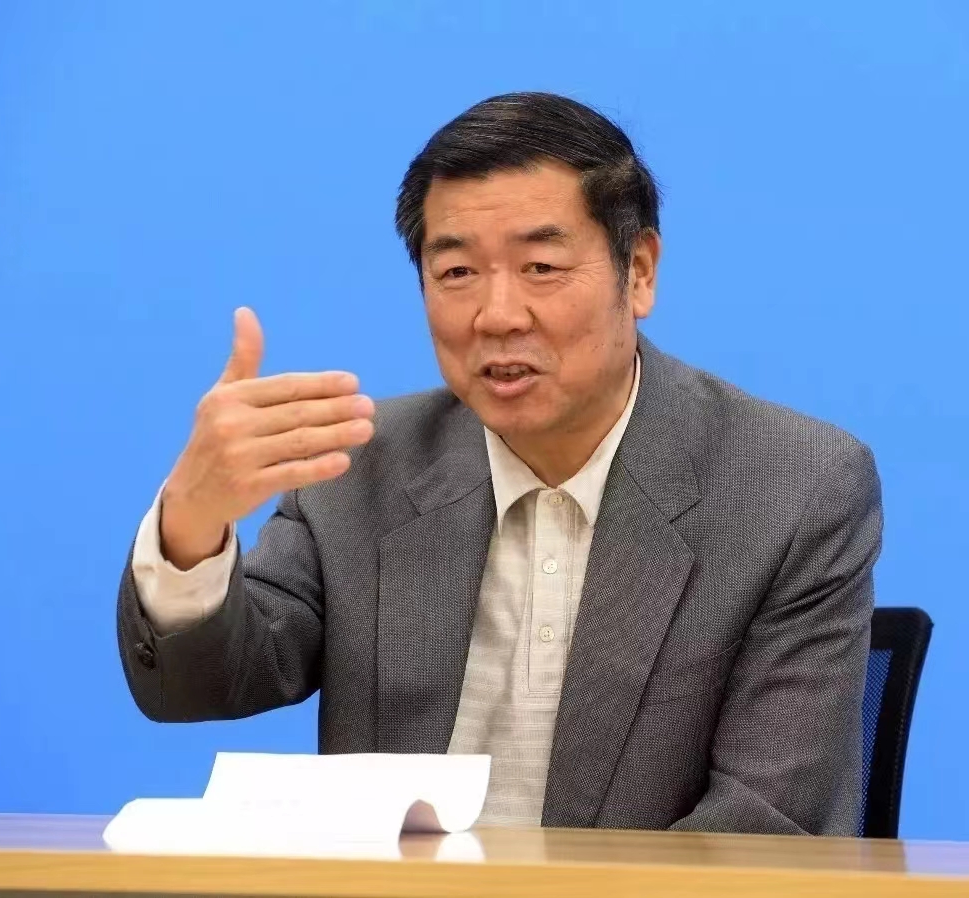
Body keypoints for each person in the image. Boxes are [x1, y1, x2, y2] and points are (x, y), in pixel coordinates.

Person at [117, 91, 882, 836]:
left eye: (541, 266)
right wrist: (193, 520)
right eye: (456, 273)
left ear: (639, 271)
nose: (498, 315)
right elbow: (201, 684)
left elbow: (764, 822)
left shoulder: (793, 488)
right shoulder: (362, 469)